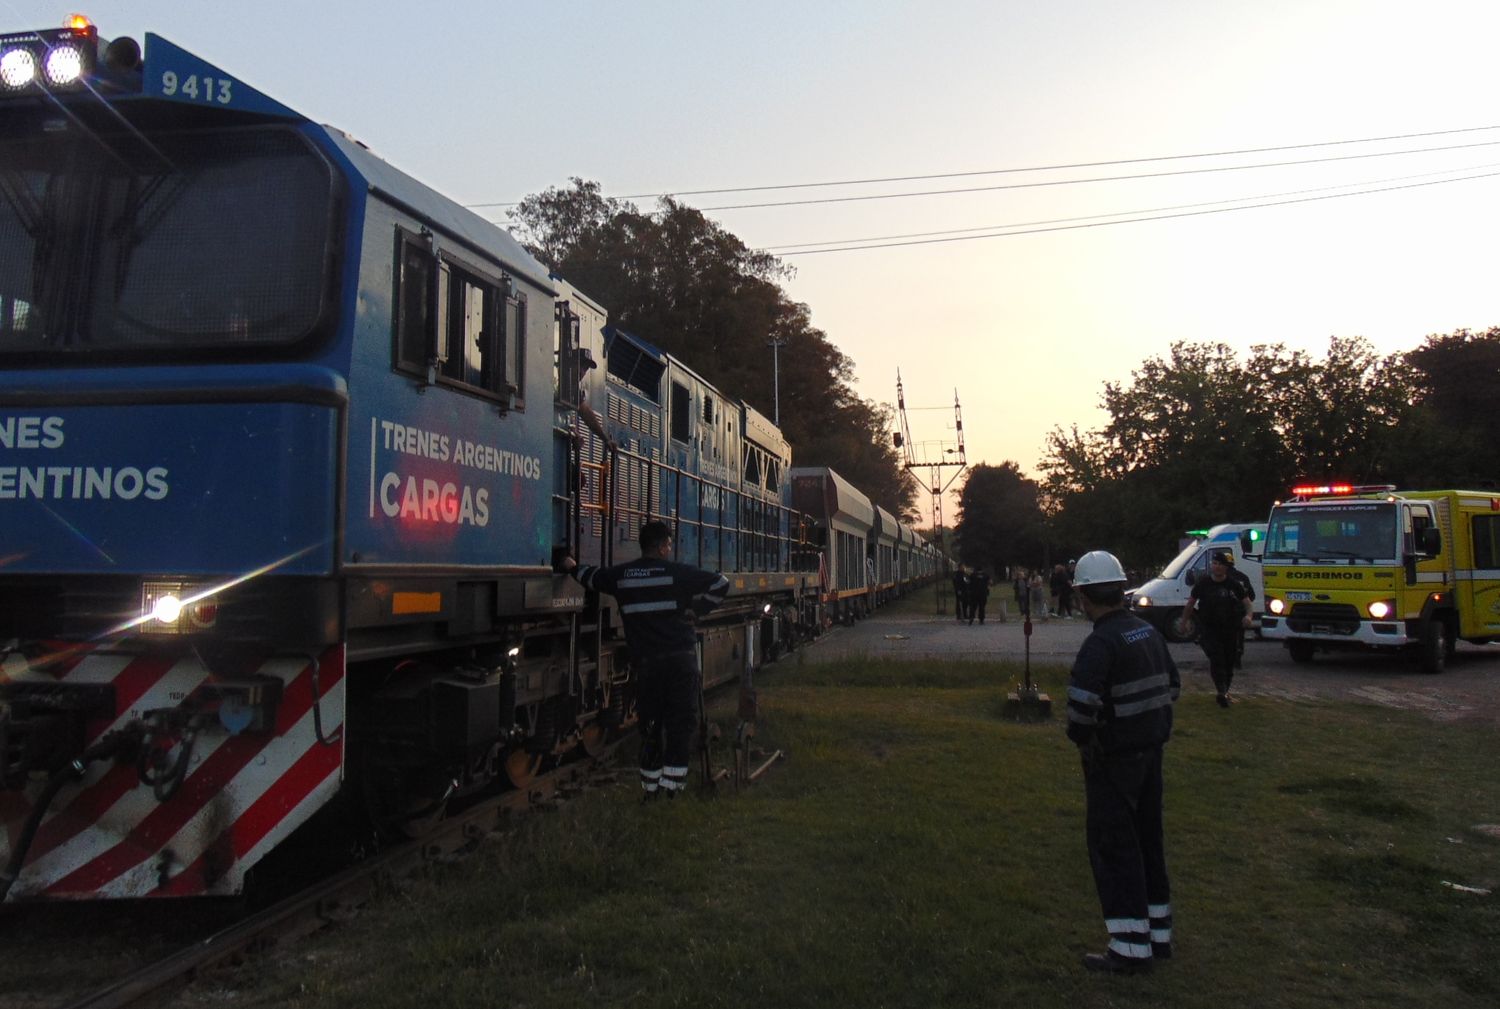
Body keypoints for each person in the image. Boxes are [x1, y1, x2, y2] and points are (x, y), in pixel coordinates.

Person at [1065, 549, 1180, 975]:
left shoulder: (1100, 643)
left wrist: (1086, 740)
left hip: (1113, 761)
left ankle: (1130, 947)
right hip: (1151, 755)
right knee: (1149, 841)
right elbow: (1172, 687)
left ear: (1084, 596)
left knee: (1115, 848)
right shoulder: (1147, 632)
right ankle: (1158, 935)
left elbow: (1080, 710)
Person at [562, 520, 729, 798]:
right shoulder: (678, 573)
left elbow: (590, 577)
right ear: (664, 547)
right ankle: (672, 790)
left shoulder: (623, 576)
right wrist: (697, 611)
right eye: (669, 544)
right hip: (681, 662)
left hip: (649, 664)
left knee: (650, 724)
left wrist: (569, 565)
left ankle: (650, 790)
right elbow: (721, 583)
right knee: (680, 724)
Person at [1184, 551, 1254, 707]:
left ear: (1226, 567)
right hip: (1209, 629)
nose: (1216, 567)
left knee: (1229, 661)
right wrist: (1184, 622)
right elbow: (1190, 603)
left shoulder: (1234, 584)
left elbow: (1247, 602)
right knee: (1217, 659)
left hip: (1230, 629)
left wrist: (1249, 616)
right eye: (1214, 564)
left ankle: (1225, 691)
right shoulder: (1203, 583)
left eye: (1220, 564)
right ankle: (1221, 691)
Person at [1221, 552, 1256, 670]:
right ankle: (1238, 660)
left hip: (1224, 613)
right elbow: (1251, 595)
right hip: (1240, 613)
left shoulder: (1221, 578)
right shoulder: (1243, 577)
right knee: (1239, 636)